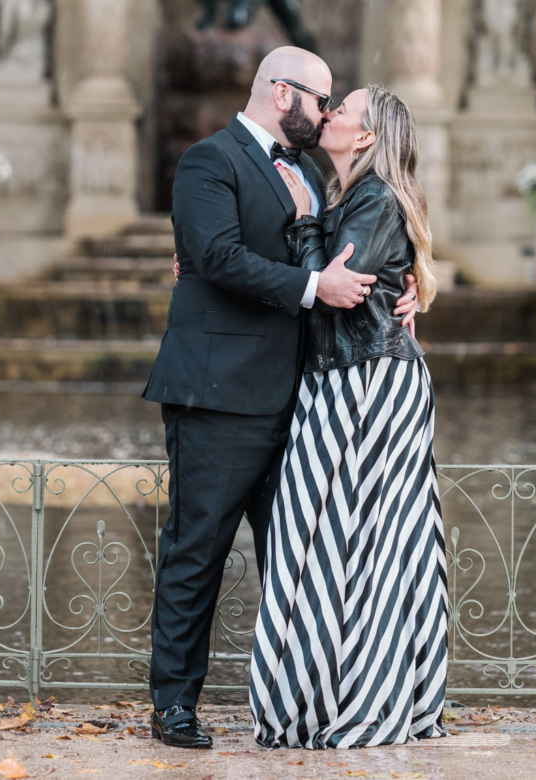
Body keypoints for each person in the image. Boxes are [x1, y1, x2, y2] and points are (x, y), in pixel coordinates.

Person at [144, 48, 420, 749]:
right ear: (279, 92)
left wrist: (406, 284)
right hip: (219, 394)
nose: (326, 113)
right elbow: (214, 255)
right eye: (318, 99)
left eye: (335, 105)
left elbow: (355, 242)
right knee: (197, 550)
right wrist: (311, 288)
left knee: (299, 562)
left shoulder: (309, 172)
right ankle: (174, 703)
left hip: (302, 403)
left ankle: (302, 705)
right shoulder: (211, 160)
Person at [250, 84, 448, 748]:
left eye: (344, 110)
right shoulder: (348, 193)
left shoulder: (370, 198)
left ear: (366, 136)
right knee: (346, 542)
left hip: (366, 386)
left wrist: (306, 222)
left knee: (356, 544)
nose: (328, 114)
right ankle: (339, 694)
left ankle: (359, 701)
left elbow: (338, 288)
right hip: (348, 380)